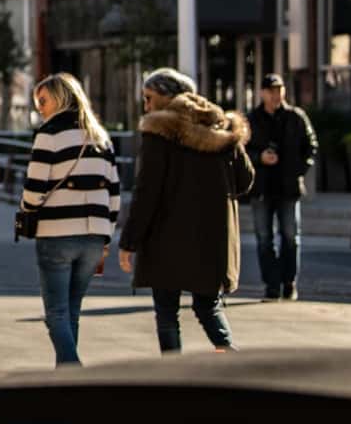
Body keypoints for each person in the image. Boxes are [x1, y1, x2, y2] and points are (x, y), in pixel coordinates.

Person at [118, 68, 255, 354]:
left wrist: (130, 241)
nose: (146, 106)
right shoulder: (220, 126)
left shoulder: (159, 132)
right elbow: (245, 179)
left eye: (149, 98)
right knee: (208, 306)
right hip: (212, 237)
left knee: (167, 313)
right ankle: (230, 358)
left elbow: (147, 192)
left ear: (169, 97)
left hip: (167, 238)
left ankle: (172, 376)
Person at [25, 73, 121, 367]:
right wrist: (107, 235)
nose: (40, 107)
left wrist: (26, 208)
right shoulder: (101, 137)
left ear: (60, 97)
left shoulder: (49, 134)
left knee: (56, 312)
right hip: (94, 236)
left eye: (43, 100)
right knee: (72, 310)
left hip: (57, 233)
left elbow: (32, 193)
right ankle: (67, 378)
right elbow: (114, 192)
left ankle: (72, 367)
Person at [245, 73, 316, 301]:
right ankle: (271, 285)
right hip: (262, 188)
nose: (276, 95)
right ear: (262, 93)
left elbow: (311, 146)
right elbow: (241, 151)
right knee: (264, 238)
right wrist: (259, 158)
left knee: (290, 236)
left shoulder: (296, 117)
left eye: (280, 90)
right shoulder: (252, 119)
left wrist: (298, 170)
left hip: (288, 187)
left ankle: (289, 282)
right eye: (272, 90)